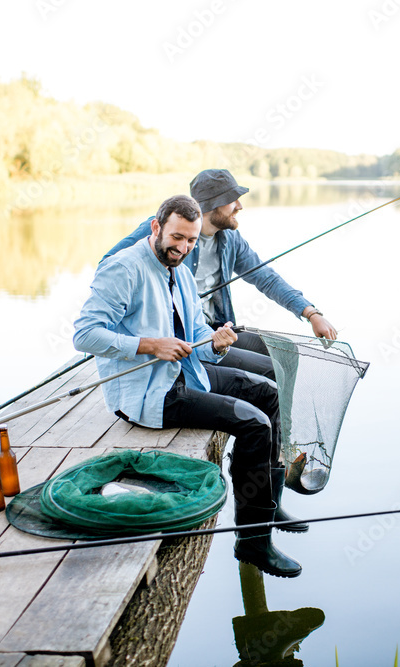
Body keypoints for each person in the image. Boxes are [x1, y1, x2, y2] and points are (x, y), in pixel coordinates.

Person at [74, 194, 306, 578]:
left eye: (191, 241)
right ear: (156, 227)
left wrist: (215, 341)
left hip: (188, 374)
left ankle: (267, 500)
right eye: (176, 237)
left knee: (268, 393)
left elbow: (196, 331)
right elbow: (85, 335)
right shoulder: (123, 269)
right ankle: (252, 543)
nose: (182, 248)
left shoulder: (180, 270)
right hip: (149, 395)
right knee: (253, 424)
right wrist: (149, 345)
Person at [102, 169, 338, 380]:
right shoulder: (165, 227)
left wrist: (311, 313)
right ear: (213, 204)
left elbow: (266, 278)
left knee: (287, 354)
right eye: (232, 200)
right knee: (271, 369)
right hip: (184, 337)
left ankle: (280, 427)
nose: (239, 206)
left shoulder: (230, 239)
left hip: (217, 328)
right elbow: (108, 265)